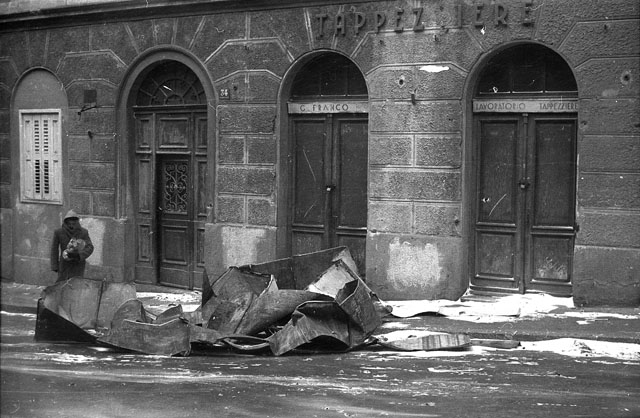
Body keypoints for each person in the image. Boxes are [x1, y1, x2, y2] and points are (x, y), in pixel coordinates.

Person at [50, 209, 94, 282]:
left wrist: (79, 255)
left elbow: (90, 247)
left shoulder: (83, 232)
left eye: (74, 221)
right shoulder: (59, 232)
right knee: (62, 284)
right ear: (66, 221)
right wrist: (55, 266)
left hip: (78, 265)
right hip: (64, 265)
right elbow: (54, 249)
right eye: (69, 221)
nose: (71, 224)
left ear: (77, 221)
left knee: (76, 285)